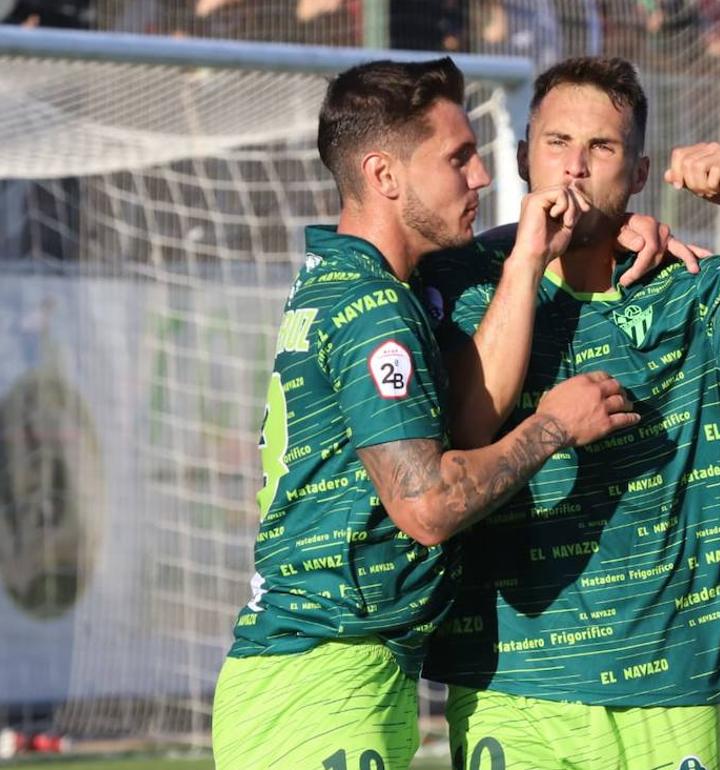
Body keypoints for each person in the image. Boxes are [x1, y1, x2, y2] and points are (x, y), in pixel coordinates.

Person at [420, 56, 720, 770]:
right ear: (527, 151)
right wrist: (527, 260)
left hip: (667, 688)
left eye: (602, 148)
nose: (574, 169)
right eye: (557, 143)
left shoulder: (693, 289)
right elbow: (469, 428)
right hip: (515, 683)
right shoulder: (461, 285)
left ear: (639, 171)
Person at [210, 58, 645, 770]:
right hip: (319, 685)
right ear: (385, 176)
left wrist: (602, 227)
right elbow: (427, 504)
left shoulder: (359, 282)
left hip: (334, 674)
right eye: (458, 157)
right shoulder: (376, 310)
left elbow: (473, 415)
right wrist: (554, 427)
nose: (480, 176)